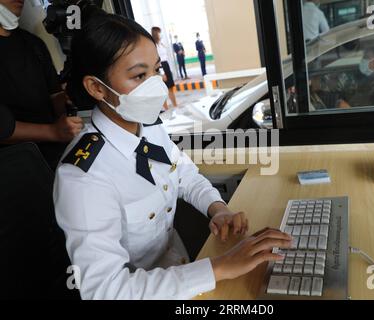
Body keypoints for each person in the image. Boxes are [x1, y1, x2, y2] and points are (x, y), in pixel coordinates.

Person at [54, 14, 291, 300]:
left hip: (179, 268)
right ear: (97, 88)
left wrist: (217, 208)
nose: (156, 85)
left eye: (156, 71)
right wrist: (219, 268)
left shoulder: (150, 127)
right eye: (140, 76)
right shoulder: (83, 177)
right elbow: (105, 290)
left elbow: (184, 174)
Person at [0, 0, 83, 170]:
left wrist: (70, 96)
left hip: (57, 157)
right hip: (15, 167)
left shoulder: (33, 43)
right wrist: (52, 132)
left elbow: (54, 96)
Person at [151, 26, 177, 110]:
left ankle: (175, 106)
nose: (160, 34)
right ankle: (166, 109)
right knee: (163, 90)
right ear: (156, 34)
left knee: (170, 88)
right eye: (159, 32)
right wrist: (161, 73)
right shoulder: (154, 46)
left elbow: (165, 57)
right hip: (161, 67)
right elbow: (157, 61)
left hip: (166, 65)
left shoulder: (160, 44)